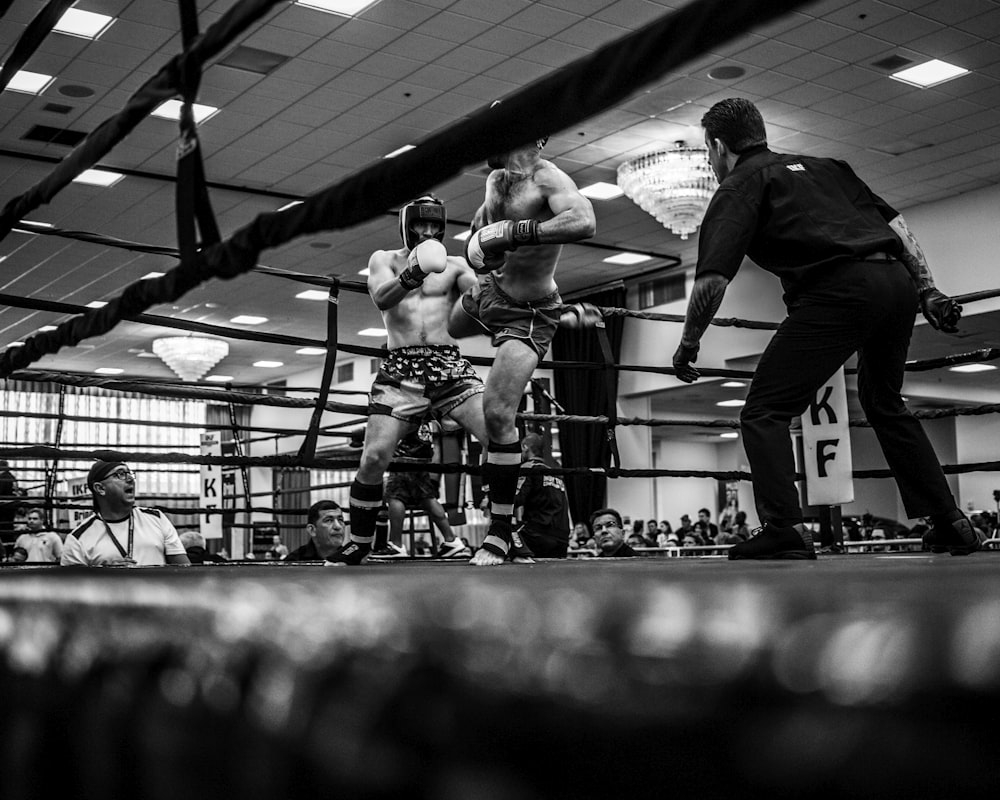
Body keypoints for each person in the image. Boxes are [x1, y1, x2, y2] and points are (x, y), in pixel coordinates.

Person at [672, 97, 983, 561]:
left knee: (764, 411)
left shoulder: (739, 186)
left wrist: (689, 342)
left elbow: (714, 278)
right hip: (895, 283)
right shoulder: (830, 167)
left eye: (708, 152)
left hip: (837, 292)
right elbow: (895, 224)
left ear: (717, 146)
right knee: (884, 402)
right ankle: (950, 522)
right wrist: (928, 289)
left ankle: (786, 529)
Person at [449, 120, 597, 567]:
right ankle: (438, 399)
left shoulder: (549, 178)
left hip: (529, 311)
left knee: (497, 413)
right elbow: (482, 227)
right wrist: (481, 247)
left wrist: (518, 233)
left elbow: (585, 220)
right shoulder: (496, 180)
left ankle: (500, 534)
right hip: (491, 290)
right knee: (445, 330)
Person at [327, 195, 491, 566]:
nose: (429, 233)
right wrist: (415, 269)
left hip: (449, 366)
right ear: (407, 225)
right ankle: (360, 542)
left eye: (436, 227)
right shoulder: (383, 259)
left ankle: (504, 534)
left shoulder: (454, 265)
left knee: (498, 436)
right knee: (373, 457)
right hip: (401, 368)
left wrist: (494, 271)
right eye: (422, 226)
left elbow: (484, 297)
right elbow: (383, 299)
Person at [61, 461, 191, 567]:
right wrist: (104, 575)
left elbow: (185, 571)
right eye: (120, 474)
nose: (130, 479)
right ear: (100, 488)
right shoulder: (78, 539)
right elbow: (72, 591)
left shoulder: (157, 519)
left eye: (129, 473)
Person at [381, 426, 471, 559]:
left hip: (404, 457)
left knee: (395, 496)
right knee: (427, 498)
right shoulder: (426, 415)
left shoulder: (405, 409)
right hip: (423, 459)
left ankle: (396, 545)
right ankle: (452, 541)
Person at [512, 432, 571, 558]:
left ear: (525, 447)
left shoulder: (528, 468)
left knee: (503, 537)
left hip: (538, 533)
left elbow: (516, 499)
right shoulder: (555, 473)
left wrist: (493, 498)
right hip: (562, 537)